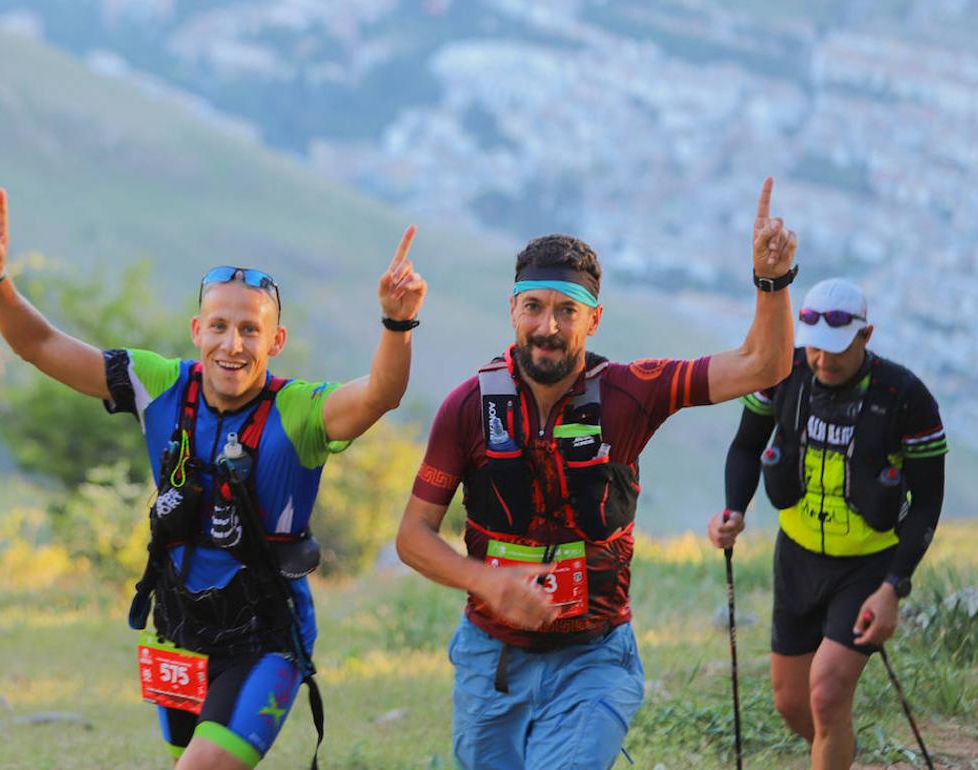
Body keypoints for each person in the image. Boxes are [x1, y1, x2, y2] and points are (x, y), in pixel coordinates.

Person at [0, 189, 427, 770]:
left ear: (274, 341)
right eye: (219, 326)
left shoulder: (302, 413)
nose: (232, 345)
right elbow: (40, 345)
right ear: (196, 331)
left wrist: (397, 321)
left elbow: (381, 394)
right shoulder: (157, 384)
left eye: (250, 331)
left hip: (264, 638)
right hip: (176, 629)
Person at [395, 178, 799, 770]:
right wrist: (488, 583)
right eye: (533, 307)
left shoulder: (629, 394)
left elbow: (764, 364)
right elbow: (412, 536)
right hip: (491, 658)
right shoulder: (468, 408)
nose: (548, 327)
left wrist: (772, 283)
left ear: (595, 320)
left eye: (567, 311)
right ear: (512, 309)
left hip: (594, 657)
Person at [708, 277, 946, 770]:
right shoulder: (782, 373)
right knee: (791, 703)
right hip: (796, 558)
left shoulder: (906, 396)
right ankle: (841, 754)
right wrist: (734, 510)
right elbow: (746, 445)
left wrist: (892, 587)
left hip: (866, 565)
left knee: (827, 693)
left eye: (837, 350)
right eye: (815, 349)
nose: (824, 361)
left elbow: (926, 501)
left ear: (866, 335)